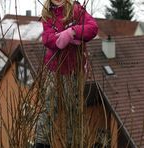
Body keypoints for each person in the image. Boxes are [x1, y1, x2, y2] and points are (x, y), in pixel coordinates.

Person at [35, 0, 98, 147]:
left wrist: (73, 32)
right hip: (54, 69)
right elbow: (47, 38)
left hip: (74, 69)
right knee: (49, 107)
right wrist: (59, 40)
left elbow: (93, 27)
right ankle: (41, 143)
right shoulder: (48, 14)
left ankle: (74, 143)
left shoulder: (76, 10)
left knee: (73, 110)